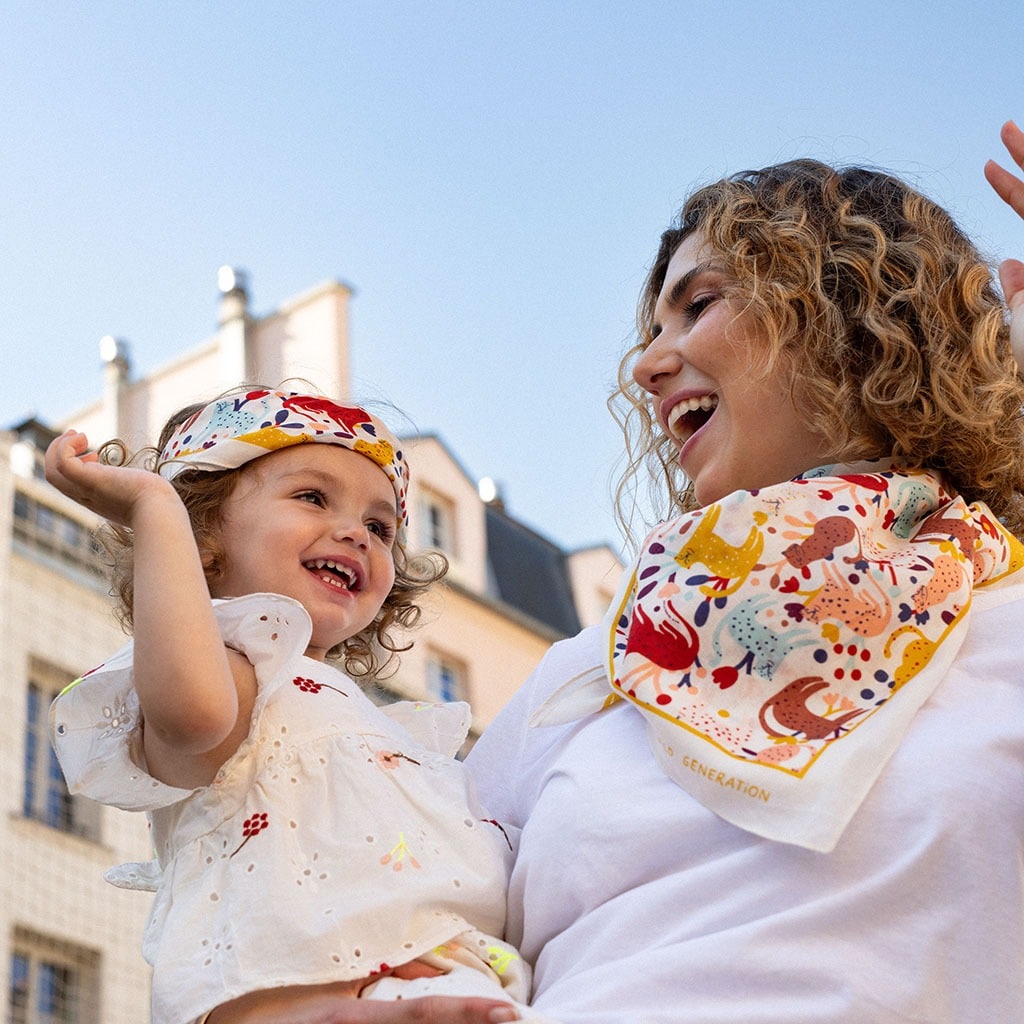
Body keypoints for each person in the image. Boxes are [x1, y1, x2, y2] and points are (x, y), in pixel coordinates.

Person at [201, 120, 1024, 1024]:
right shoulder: (591, 671)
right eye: (652, 327)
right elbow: (372, 907)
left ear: (851, 309)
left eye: (701, 302)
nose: (645, 364)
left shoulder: (1007, 607)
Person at [45, 388, 553, 1024]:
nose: (356, 534)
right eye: (312, 497)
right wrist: (155, 507)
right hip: (291, 997)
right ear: (202, 532)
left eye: (380, 527)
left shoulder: (391, 732)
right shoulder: (236, 675)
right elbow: (194, 717)